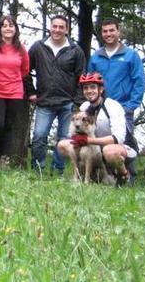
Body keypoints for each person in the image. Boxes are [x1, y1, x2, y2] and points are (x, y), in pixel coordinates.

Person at [26, 14, 86, 175]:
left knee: (64, 139)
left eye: (61, 27)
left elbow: (82, 77)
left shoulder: (75, 50)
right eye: (55, 26)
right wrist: (31, 92)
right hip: (44, 101)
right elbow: (25, 70)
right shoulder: (38, 47)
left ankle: (58, 171)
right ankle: (37, 170)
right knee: (39, 137)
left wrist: (78, 102)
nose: (57, 30)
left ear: (66, 30)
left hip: (68, 102)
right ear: (50, 28)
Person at [86, 17, 145, 179]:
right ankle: (104, 176)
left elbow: (139, 81)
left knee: (123, 141)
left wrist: (132, 105)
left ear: (118, 31)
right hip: (101, 108)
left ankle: (129, 176)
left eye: (112, 30)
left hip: (124, 106)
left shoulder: (131, 55)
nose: (108, 34)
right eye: (105, 31)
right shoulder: (96, 57)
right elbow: (90, 83)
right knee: (101, 140)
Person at [56, 72, 135, 185]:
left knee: (110, 151)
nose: (89, 91)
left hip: (118, 147)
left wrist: (89, 140)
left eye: (93, 87)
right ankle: (81, 175)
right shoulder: (84, 107)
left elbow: (118, 138)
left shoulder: (112, 106)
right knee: (63, 145)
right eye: (86, 88)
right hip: (96, 149)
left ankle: (124, 175)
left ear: (101, 90)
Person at [0, 15, 30, 168]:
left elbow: (25, 69)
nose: (8, 28)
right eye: (4, 26)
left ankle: (4, 157)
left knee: (9, 126)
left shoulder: (21, 48)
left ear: (15, 29)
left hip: (15, 92)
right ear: (0, 29)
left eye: (11, 25)